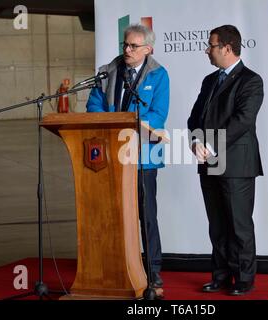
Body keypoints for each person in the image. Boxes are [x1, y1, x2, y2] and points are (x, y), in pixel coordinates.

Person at [86, 24, 170, 290]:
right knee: (115, 215)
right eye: (125, 44)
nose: (127, 50)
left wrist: (130, 125)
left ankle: (153, 272)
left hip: (144, 157)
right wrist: (112, 123)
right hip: (112, 155)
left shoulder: (158, 75)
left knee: (146, 216)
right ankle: (118, 266)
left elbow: (158, 114)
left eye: (133, 46)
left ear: (148, 49)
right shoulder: (108, 72)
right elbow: (93, 105)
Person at [187, 25, 264, 296]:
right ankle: (220, 276)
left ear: (228, 48)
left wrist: (208, 145)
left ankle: (244, 279)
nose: (207, 50)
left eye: (211, 45)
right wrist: (196, 141)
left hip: (236, 164)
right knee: (217, 225)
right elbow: (195, 117)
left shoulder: (251, 81)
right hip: (208, 161)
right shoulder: (210, 80)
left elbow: (242, 121)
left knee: (239, 225)